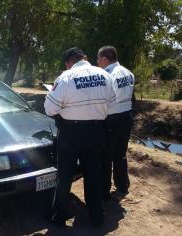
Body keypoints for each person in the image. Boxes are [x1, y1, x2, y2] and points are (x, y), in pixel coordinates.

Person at [44, 47, 115, 227]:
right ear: (85, 58)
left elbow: (49, 109)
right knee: (93, 174)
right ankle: (97, 217)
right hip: (96, 132)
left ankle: (59, 217)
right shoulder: (105, 75)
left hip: (71, 133)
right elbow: (112, 103)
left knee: (65, 176)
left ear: (69, 62)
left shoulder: (66, 77)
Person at [97, 46, 134, 200]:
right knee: (120, 154)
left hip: (111, 119)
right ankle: (122, 186)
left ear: (105, 59)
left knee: (106, 157)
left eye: (98, 59)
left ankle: (104, 192)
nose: (97, 62)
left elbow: (103, 99)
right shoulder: (128, 72)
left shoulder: (107, 75)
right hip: (126, 117)